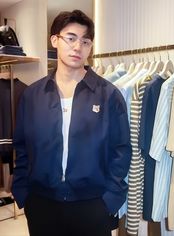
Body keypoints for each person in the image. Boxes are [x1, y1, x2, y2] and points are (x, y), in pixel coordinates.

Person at [12, 10, 131, 236]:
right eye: (71, 38)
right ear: (54, 40)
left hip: (92, 205)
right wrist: (23, 192)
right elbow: (21, 146)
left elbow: (121, 151)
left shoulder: (109, 95)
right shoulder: (32, 95)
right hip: (42, 204)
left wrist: (110, 200)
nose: (78, 47)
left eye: (86, 41)